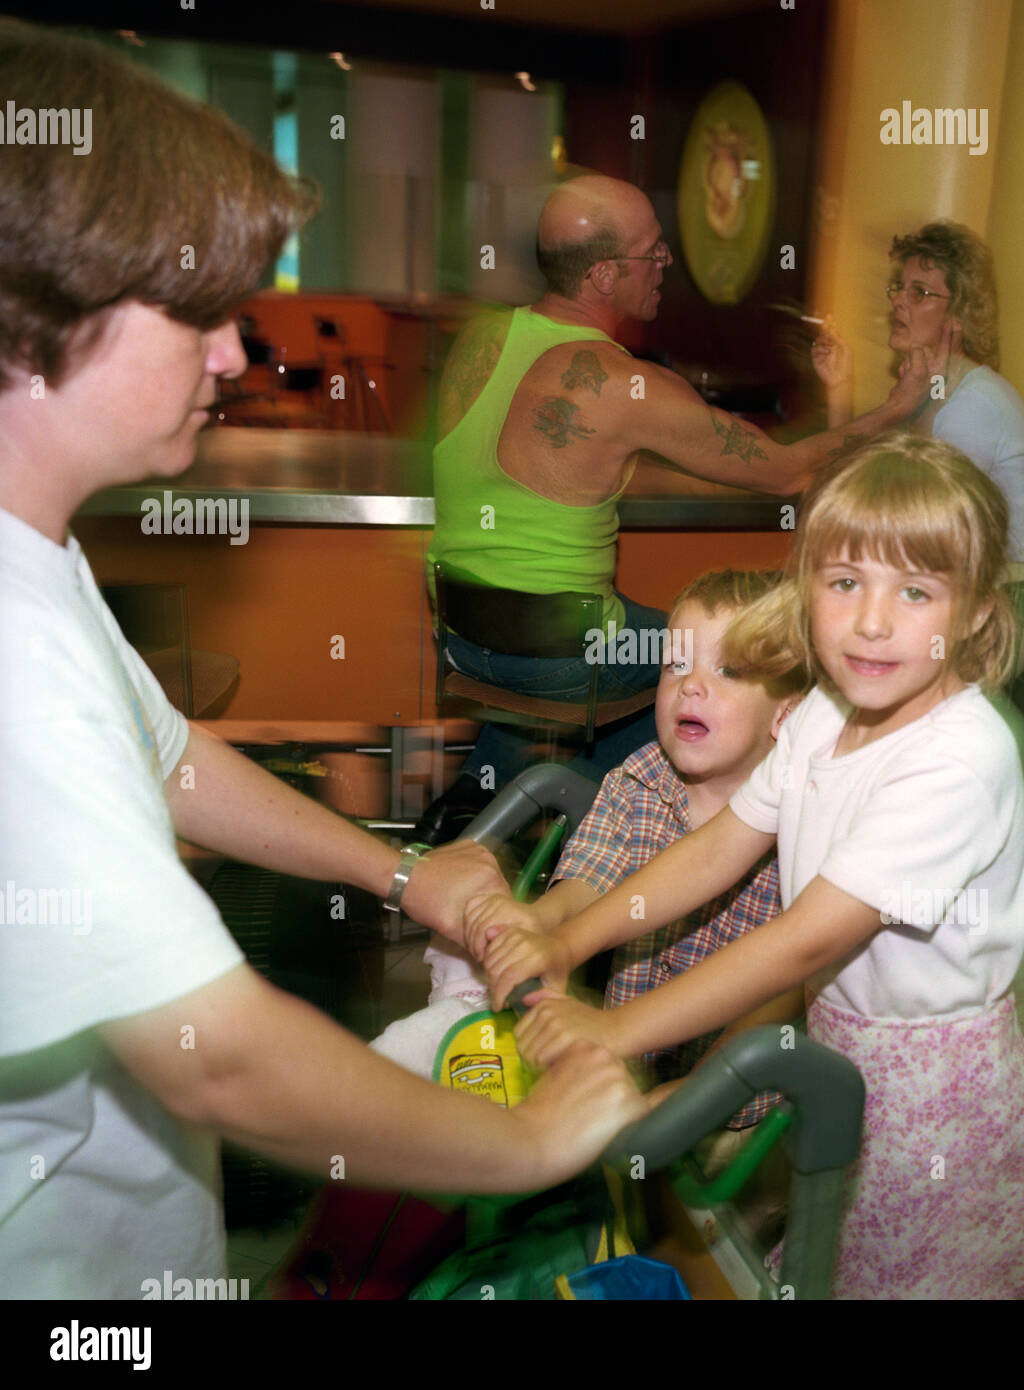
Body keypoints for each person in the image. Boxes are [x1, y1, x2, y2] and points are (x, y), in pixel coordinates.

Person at [0, 20, 644, 1301]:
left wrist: (405, 875)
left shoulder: (37, 554)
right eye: (192, 311)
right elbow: (220, 1058)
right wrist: (526, 1141)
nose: (235, 352)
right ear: (30, 331)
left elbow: (167, 755)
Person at [482, 431, 1024, 1299]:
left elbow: (805, 941)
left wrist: (617, 1029)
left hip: (935, 1100)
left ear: (978, 616)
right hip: (840, 1047)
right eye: (845, 583)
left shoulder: (957, 760)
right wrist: (569, 942)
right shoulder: (821, 714)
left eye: (915, 591)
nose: (872, 622)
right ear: (808, 590)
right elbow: (719, 849)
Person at [420, 174, 947, 840]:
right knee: (736, 663)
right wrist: (897, 409)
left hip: (460, 637)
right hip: (565, 653)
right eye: (653, 251)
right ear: (606, 275)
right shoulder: (627, 386)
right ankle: (578, 809)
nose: (666, 261)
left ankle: (476, 802)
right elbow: (785, 471)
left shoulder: (478, 341)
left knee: (612, 637)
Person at [384, 570, 808, 1125]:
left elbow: (790, 984)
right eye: (676, 664)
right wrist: (539, 922)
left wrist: (699, 1093)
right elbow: (591, 876)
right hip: (628, 1055)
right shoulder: (639, 779)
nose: (691, 685)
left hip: (739, 1094)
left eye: (728, 670)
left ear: (788, 714)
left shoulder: (805, 825)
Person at [814, 222, 1024, 674]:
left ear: (960, 315)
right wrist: (839, 392)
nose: (897, 301)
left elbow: (914, 520)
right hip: (939, 585)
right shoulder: (924, 390)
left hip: (997, 599)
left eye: (919, 293)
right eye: (898, 288)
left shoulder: (977, 402)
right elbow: (857, 496)